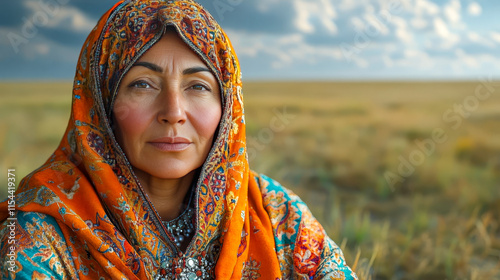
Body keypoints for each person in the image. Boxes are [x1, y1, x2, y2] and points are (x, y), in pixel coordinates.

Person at [0, 0, 358, 279]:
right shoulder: (38, 233)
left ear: (228, 108)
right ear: (100, 105)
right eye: (142, 84)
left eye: (198, 86)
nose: (173, 111)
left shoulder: (273, 212)